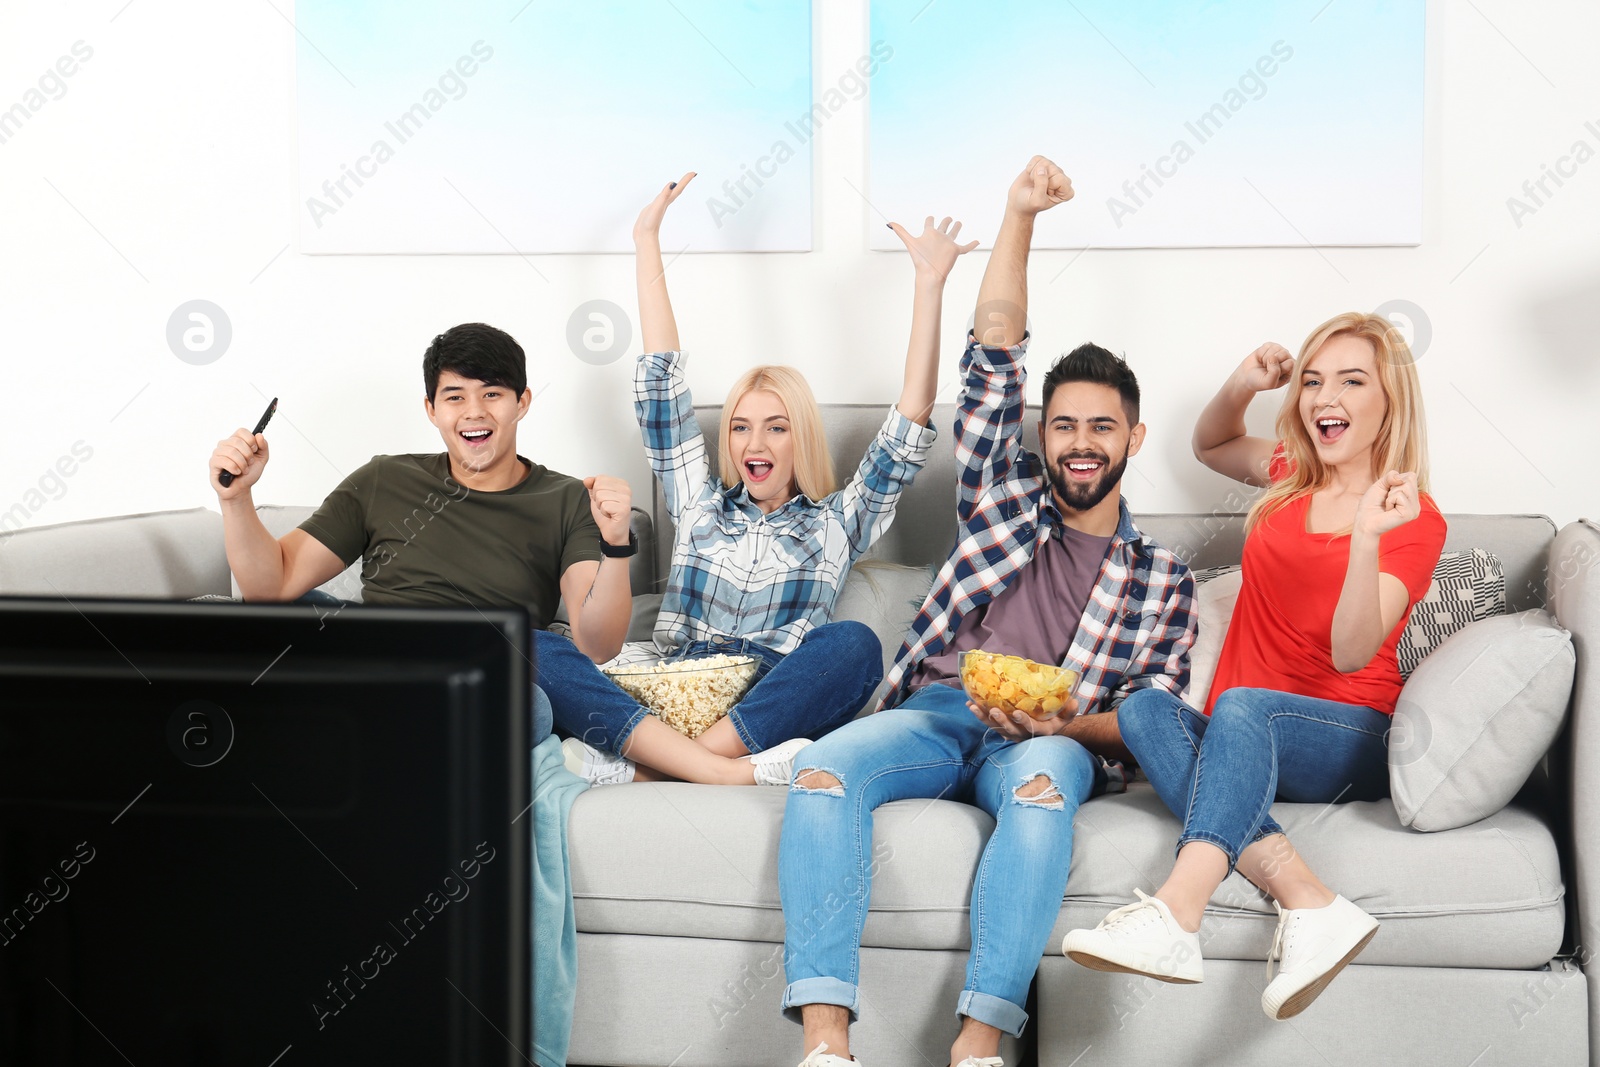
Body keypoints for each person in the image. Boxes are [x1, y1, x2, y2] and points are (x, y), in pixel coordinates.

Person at [777, 156, 1197, 1067]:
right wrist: (1019, 217)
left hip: (1052, 739)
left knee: (1043, 796)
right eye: (1064, 424)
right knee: (822, 772)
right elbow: (995, 348)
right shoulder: (1003, 494)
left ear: (1134, 437)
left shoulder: (1164, 578)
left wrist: (1062, 719)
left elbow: (1148, 717)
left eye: (1101, 427)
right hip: (936, 710)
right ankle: (824, 1048)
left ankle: (976, 1048)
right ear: (1043, 434)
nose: (1080, 443)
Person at [1061, 314, 1445, 1021]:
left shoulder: (1412, 517)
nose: (1324, 396)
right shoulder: (1289, 474)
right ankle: (1310, 899)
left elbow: (1354, 651)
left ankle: (1178, 912)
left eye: (1352, 381)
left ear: (1390, 398)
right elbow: (1210, 442)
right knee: (1147, 708)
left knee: (1242, 705)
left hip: (1349, 735)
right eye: (1313, 380)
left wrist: (1365, 537)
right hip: (1251, 727)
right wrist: (1244, 381)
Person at [544, 172, 978, 788]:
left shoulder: (837, 520)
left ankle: (656, 769)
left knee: (853, 646)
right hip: (669, 688)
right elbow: (662, 386)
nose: (754, 443)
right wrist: (647, 240)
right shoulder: (698, 502)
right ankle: (722, 773)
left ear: (800, 437)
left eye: (776, 428)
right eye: (741, 427)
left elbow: (910, 418)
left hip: (763, 697)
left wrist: (930, 287)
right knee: (534, 649)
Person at [211, 321, 634, 657]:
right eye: (455, 397)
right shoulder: (383, 480)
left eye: (492, 394)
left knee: (536, 700)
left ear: (521, 402)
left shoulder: (569, 499)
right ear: (431, 409)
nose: (475, 412)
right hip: (379, 657)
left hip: (485, 668)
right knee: (212, 612)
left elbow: (598, 646)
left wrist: (615, 545)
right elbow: (271, 588)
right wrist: (236, 497)